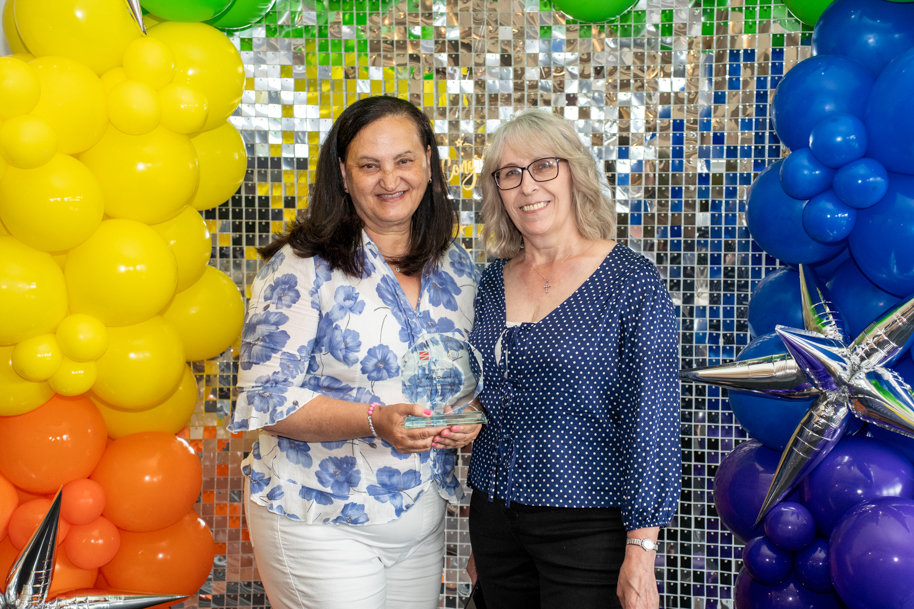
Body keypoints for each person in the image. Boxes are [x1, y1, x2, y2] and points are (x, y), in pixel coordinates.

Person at [230, 95, 482, 609]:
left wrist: (470, 419)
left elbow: (467, 379)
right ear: (344, 176)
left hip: (421, 518)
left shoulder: (458, 266)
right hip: (319, 519)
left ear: (428, 164)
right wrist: (376, 420)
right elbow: (266, 400)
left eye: (404, 160)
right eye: (370, 165)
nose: (390, 180)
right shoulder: (301, 267)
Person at [466, 109, 681, 609]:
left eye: (544, 166)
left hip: (588, 523)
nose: (526, 186)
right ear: (497, 190)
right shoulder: (492, 282)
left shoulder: (631, 281)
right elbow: (492, 396)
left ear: (574, 172)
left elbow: (652, 421)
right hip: (494, 518)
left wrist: (641, 549)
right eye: (509, 174)